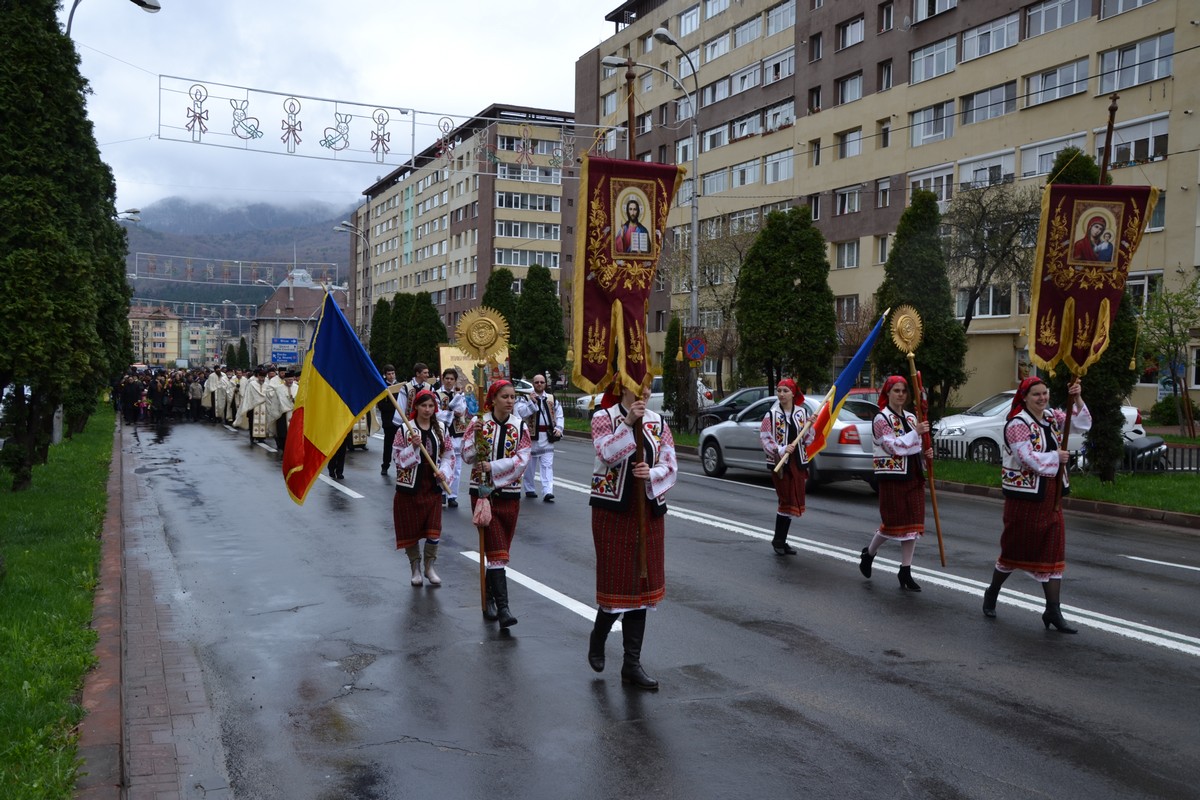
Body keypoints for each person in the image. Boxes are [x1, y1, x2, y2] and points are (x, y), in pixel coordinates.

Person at [586, 383, 677, 690]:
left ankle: (631, 664)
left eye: (648, 386)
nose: (644, 392)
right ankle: (599, 635)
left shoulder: (657, 421)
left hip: (647, 509)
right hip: (612, 511)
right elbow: (606, 455)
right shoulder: (603, 417)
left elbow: (670, 463)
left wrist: (651, 473)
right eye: (638, 386)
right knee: (617, 582)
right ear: (622, 386)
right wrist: (627, 424)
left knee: (642, 587)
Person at [981, 377, 1090, 633]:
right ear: (1025, 397)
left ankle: (1053, 610)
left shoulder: (1052, 418)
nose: (1042, 398)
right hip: (1024, 497)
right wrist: (1056, 457)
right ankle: (992, 591)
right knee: (1013, 551)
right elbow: (1026, 457)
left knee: (1053, 550)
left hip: (1051, 495)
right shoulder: (1017, 424)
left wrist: (1077, 397)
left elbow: (1083, 424)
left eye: (1045, 393)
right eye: (1036, 395)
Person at [462, 380, 532, 629]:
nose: (511, 401)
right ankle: (504, 609)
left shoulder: (520, 426)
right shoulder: (478, 422)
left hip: (510, 494)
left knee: (498, 554)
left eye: (513, 397)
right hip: (483, 494)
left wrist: (494, 467)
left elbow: (522, 460)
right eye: (505, 396)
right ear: (493, 399)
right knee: (497, 551)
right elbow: (467, 456)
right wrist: (475, 435)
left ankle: (490, 598)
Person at [858, 375, 932, 592]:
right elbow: (894, 448)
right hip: (892, 475)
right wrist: (915, 435)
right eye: (896, 390)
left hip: (913, 473)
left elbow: (915, 446)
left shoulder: (911, 418)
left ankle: (906, 570)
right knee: (892, 523)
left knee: (912, 526)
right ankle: (869, 553)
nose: (900, 394)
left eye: (904, 391)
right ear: (887, 393)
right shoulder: (881, 419)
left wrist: (926, 452)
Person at [393, 389, 454, 587]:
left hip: (432, 484)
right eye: (423, 406)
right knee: (411, 529)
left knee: (433, 530)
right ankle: (415, 568)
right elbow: (398, 459)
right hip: (410, 487)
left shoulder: (442, 428)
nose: (427, 410)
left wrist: (443, 472)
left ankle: (429, 567)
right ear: (416, 407)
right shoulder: (405, 429)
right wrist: (413, 448)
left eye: (431, 406)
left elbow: (448, 455)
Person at [759, 379, 814, 556]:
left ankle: (781, 540)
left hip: (797, 462)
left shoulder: (802, 413)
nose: (781, 394)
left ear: (793, 393)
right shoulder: (771, 415)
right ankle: (778, 540)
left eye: (785, 391)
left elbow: (807, 439)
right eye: (779, 391)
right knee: (786, 499)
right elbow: (765, 438)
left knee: (793, 500)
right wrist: (782, 449)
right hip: (780, 463)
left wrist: (810, 426)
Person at [515, 373, 564, 502]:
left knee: (547, 465)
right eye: (537, 382)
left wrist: (559, 428)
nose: (539, 384)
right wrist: (532, 402)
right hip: (530, 437)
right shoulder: (525, 398)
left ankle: (548, 491)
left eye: (542, 382)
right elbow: (521, 413)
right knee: (530, 466)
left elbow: (559, 415)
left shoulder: (552, 399)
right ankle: (529, 488)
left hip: (547, 436)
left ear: (545, 384)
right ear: (533, 383)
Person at [435, 367, 468, 508]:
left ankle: (452, 495)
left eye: (451, 379)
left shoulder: (460, 395)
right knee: (443, 463)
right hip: (442, 432)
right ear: (443, 379)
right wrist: (452, 413)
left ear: (455, 381)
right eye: (447, 378)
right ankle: (442, 492)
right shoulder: (436, 394)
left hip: (458, 433)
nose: (449, 381)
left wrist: (457, 400)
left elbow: (461, 411)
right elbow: (436, 413)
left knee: (457, 467)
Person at [377, 365, 402, 476]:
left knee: (401, 446)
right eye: (389, 374)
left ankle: (400, 466)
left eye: (393, 373)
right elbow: (381, 406)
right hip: (388, 422)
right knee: (388, 445)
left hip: (400, 422)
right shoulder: (383, 387)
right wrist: (396, 407)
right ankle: (385, 466)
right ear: (385, 375)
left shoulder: (400, 386)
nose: (391, 376)